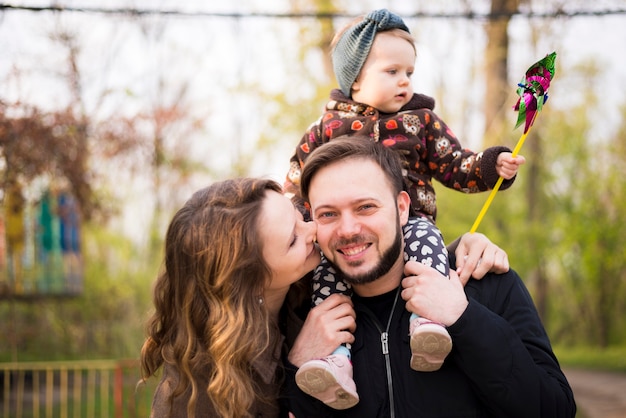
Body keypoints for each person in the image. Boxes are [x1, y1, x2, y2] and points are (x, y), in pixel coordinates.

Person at [284, 8, 526, 408]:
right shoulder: (325, 128)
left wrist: (489, 165)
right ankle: (334, 360)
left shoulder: (420, 122)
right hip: (339, 243)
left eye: (409, 72)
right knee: (326, 284)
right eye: (392, 71)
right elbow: (295, 182)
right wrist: (290, 217)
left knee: (428, 243)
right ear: (356, 78)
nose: (405, 81)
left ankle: (428, 323)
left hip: (411, 224)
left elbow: (455, 164)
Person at [139, 177, 511, 417]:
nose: (313, 228)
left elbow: (386, 267)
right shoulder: (196, 385)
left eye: (299, 214)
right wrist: (297, 364)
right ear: (249, 280)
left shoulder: (311, 283)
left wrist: (464, 247)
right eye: (292, 238)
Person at [284, 138, 576, 417]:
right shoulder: (298, 312)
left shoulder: (483, 281)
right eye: (328, 214)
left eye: (366, 207)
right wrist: (297, 364)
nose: (347, 229)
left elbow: (554, 409)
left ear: (401, 208)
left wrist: (464, 319)